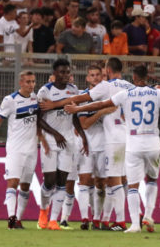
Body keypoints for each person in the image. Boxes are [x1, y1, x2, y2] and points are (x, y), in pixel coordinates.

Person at [66, 64, 160, 233]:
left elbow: (98, 105)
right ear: (147, 77)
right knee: (151, 180)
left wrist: (77, 108)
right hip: (152, 143)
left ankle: (127, 223)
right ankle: (148, 216)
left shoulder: (125, 93)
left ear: (134, 77)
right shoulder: (156, 93)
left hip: (131, 143)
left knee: (129, 185)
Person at [40, 57, 134, 231]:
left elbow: (86, 99)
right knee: (112, 180)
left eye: (100, 73)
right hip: (126, 137)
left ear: (107, 70)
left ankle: (119, 221)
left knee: (113, 181)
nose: (98, 77)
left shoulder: (106, 87)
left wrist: (60, 105)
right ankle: (102, 219)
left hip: (112, 139)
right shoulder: (130, 87)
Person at [0, 70, 66, 229]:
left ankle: (17, 219)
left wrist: (43, 141)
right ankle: (11, 217)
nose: (31, 85)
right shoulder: (10, 100)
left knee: (25, 186)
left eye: (33, 82)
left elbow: (36, 122)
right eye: (28, 82)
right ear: (21, 83)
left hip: (31, 149)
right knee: (13, 182)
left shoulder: (34, 99)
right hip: (15, 149)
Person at [36, 58, 88, 231]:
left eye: (68, 72)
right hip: (51, 140)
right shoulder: (45, 91)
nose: (66, 75)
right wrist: (55, 133)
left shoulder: (73, 90)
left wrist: (83, 136)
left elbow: (74, 115)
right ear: (54, 74)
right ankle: (43, 211)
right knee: (49, 180)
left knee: (62, 181)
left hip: (68, 141)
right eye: (62, 72)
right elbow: (38, 119)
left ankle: (53, 220)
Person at [76, 65, 116, 230]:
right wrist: (100, 112)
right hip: (86, 144)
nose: (95, 78)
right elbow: (84, 124)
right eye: (92, 75)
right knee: (85, 181)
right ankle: (85, 218)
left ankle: (97, 219)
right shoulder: (83, 97)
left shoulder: (109, 96)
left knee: (102, 183)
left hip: (105, 144)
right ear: (87, 78)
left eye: (98, 75)